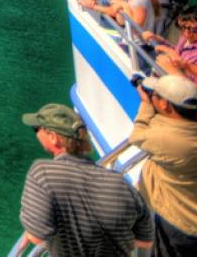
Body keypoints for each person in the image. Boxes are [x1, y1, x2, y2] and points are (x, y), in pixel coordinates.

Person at [19, 103, 152, 256]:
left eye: (36, 129)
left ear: (53, 137)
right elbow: (145, 241)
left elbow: (36, 236)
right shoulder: (121, 183)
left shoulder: (42, 173)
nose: (36, 134)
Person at [129, 74, 197, 254]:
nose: (152, 97)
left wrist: (146, 105)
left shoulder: (163, 138)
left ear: (164, 105)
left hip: (182, 222)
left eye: (155, 95)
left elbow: (137, 135)